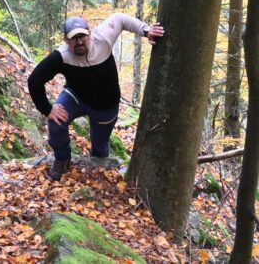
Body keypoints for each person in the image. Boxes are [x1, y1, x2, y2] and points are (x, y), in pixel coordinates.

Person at [27, 14, 164, 181]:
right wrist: (47, 109)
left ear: (89, 34)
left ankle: (99, 165)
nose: (79, 42)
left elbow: (120, 19)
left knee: (100, 144)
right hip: (76, 97)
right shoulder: (61, 56)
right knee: (56, 121)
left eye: (82, 36)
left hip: (105, 105)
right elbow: (34, 80)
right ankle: (62, 159)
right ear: (66, 40)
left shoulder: (103, 38)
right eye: (73, 38)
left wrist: (146, 31)